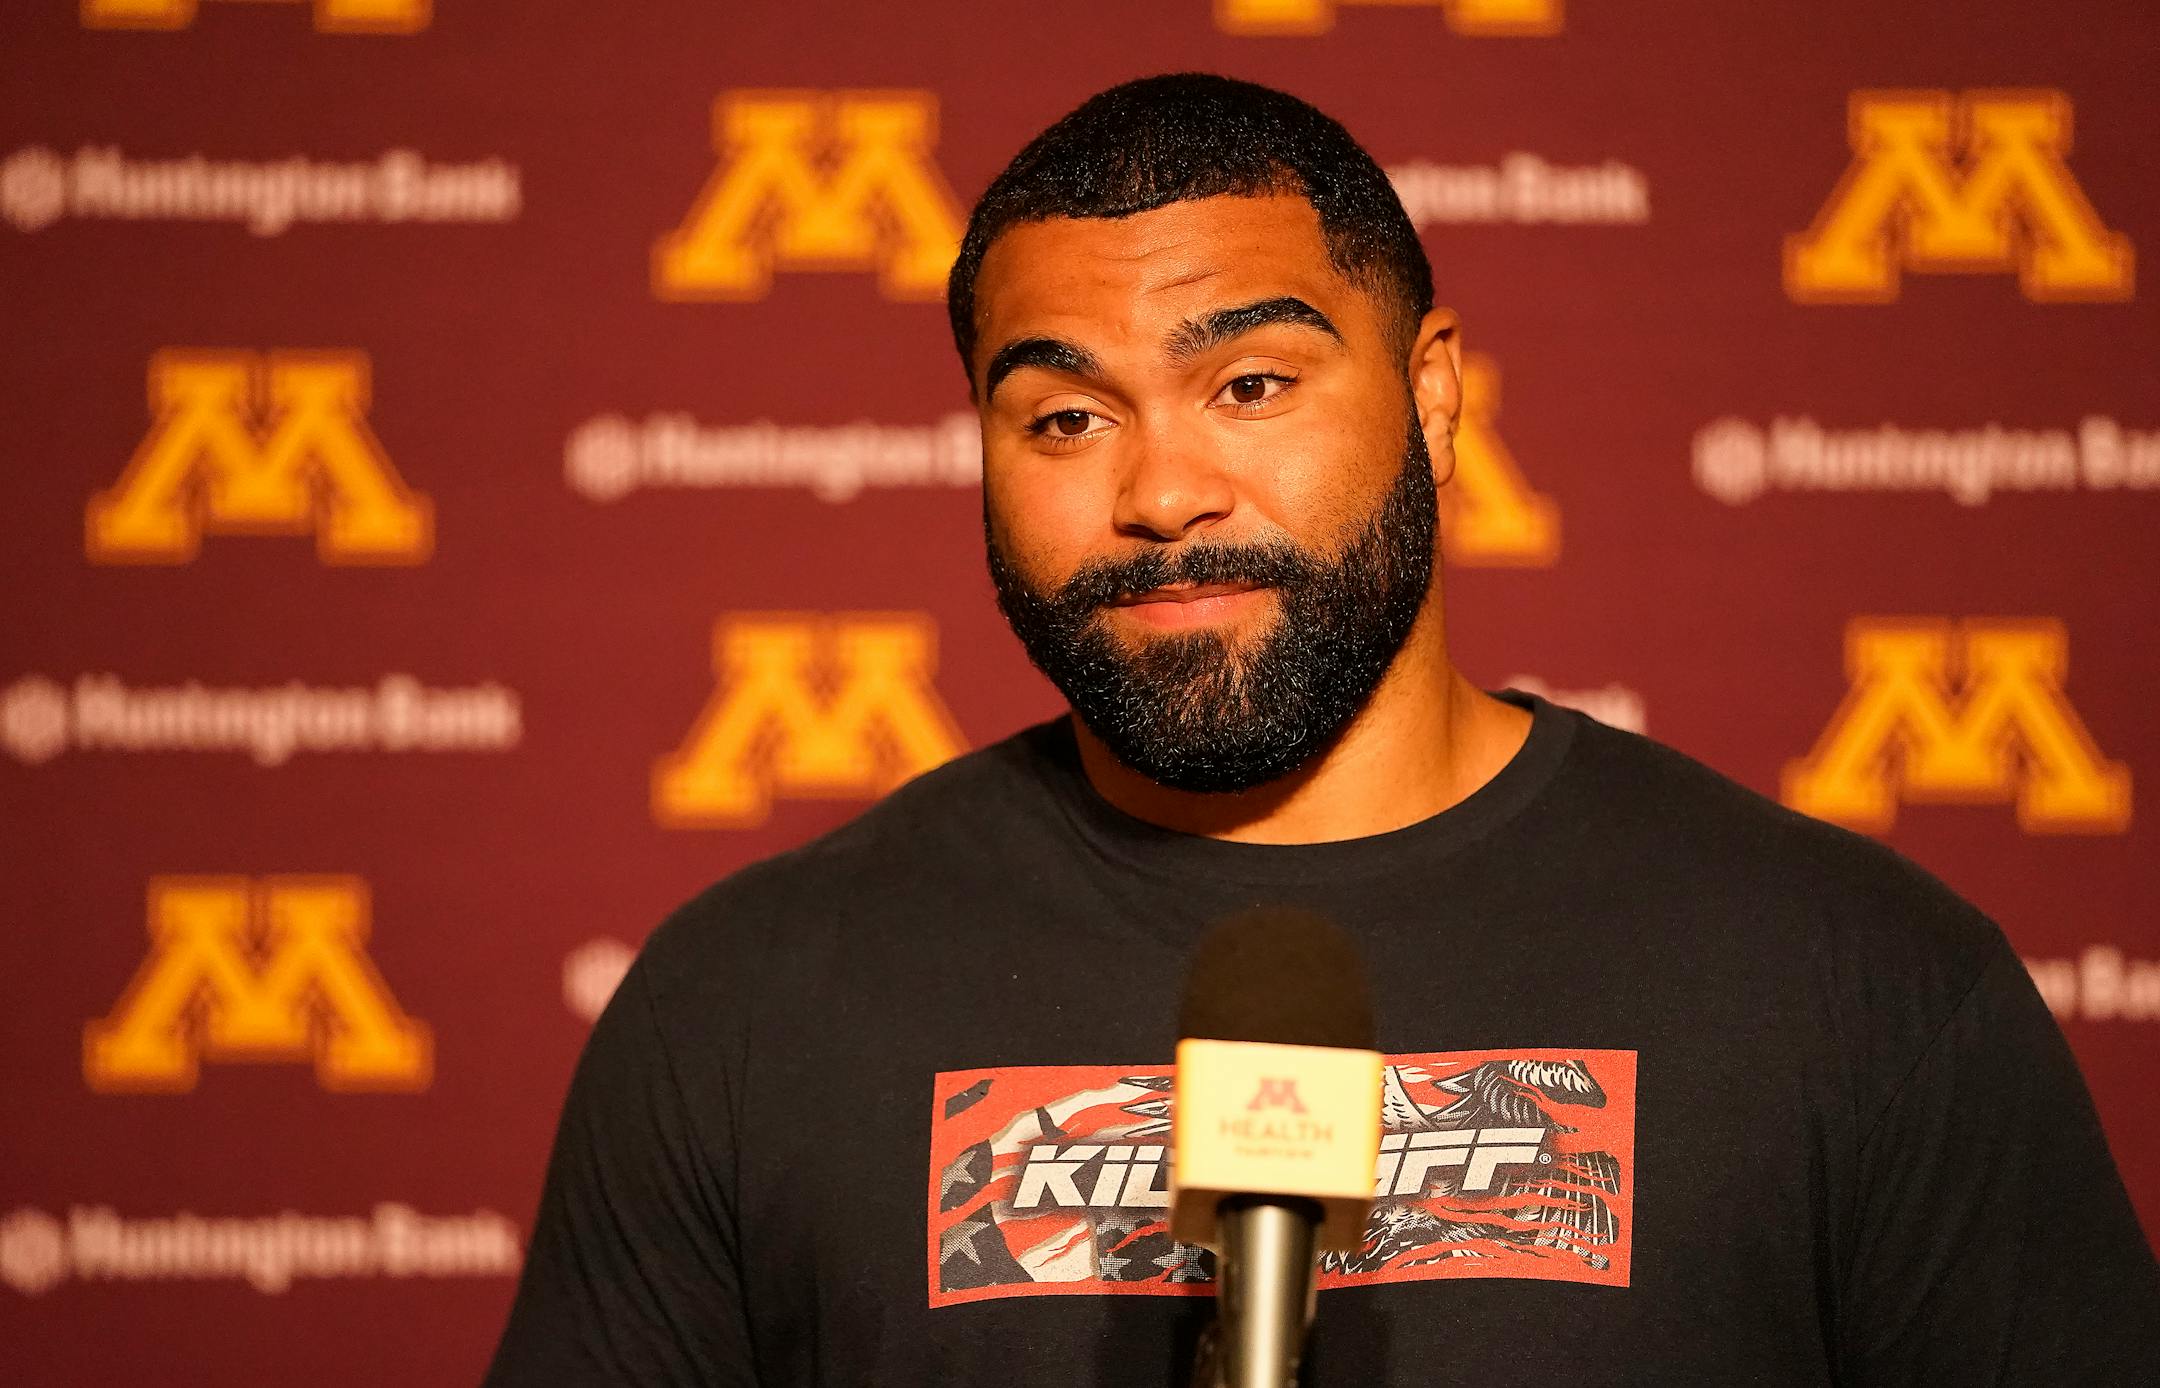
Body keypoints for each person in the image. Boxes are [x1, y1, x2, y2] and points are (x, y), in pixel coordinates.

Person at [484, 73, 2160, 1386]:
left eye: (1253, 386)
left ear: (1434, 397)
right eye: (1065, 415)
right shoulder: (747, 1008)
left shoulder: (1858, 983)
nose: (1159, 492)